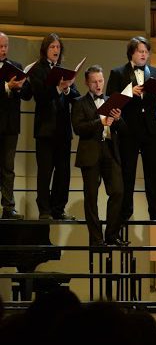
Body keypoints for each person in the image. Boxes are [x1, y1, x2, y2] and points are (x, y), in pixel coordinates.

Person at [107, 35, 156, 221]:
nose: (144, 55)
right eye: (140, 51)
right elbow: (110, 99)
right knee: (127, 173)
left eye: (146, 52)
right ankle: (126, 211)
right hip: (129, 130)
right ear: (131, 53)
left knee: (154, 173)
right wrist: (129, 93)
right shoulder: (118, 73)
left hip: (152, 131)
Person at [71, 66, 126, 247]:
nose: (98, 85)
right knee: (91, 198)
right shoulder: (79, 102)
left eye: (100, 81)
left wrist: (118, 120)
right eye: (94, 81)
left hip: (110, 151)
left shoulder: (111, 100)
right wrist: (100, 121)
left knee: (118, 191)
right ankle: (96, 239)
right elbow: (79, 128)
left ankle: (111, 234)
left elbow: (124, 130)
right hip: (91, 153)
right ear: (87, 83)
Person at [28, 33, 80, 220]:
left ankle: (58, 209)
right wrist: (58, 88)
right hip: (45, 130)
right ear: (45, 50)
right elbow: (40, 96)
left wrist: (67, 88)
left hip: (63, 130)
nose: (56, 50)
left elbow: (76, 96)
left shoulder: (62, 70)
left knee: (63, 172)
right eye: (52, 47)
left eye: (58, 47)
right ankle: (44, 210)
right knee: (45, 171)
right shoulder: (37, 70)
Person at [0, 31, 31, 219]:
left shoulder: (15, 67)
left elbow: (27, 95)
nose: (3, 50)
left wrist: (21, 86)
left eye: (5, 46)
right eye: (0, 46)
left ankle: (8, 206)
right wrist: (6, 87)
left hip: (11, 126)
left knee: (8, 167)